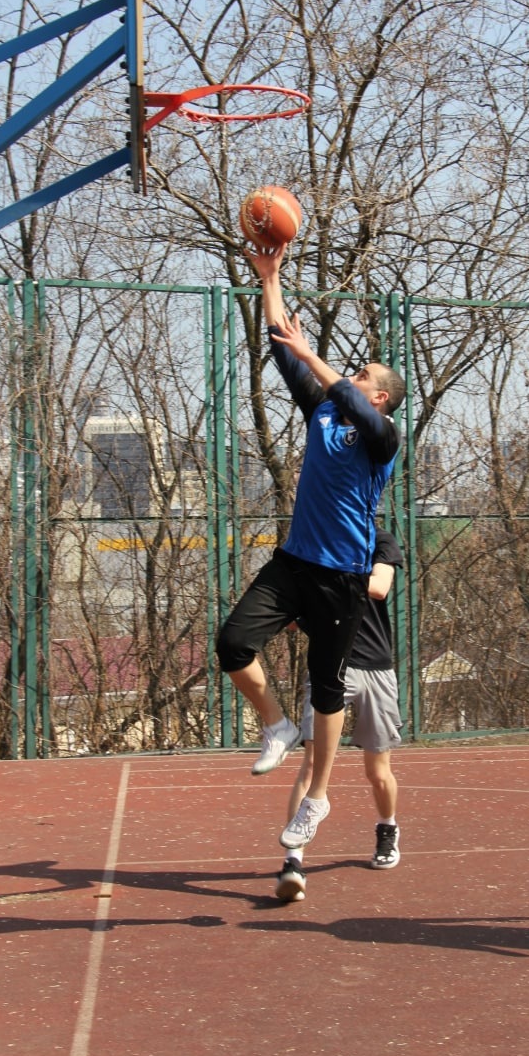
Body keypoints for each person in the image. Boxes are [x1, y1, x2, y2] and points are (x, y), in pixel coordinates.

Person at [215, 242, 405, 853]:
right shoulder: (324, 412)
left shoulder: (382, 435)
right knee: (232, 642)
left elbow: (344, 393)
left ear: (379, 396)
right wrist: (270, 277)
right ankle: (275, 724)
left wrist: (312, 355)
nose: (353, 377)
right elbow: (280, 340)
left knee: (327, 686)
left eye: (363, 376)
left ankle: (317, 797)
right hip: (295, 563)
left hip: (342, 575)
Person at [276, 527, 404, 902]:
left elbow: (379, 587)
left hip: (377, 670)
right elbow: (290, 618)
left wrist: (320, 585)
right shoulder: (307, 547)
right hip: (330, 666)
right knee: (312, 765)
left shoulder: (379, 541)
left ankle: (387, 828)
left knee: (377, 771)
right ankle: (293, 861)